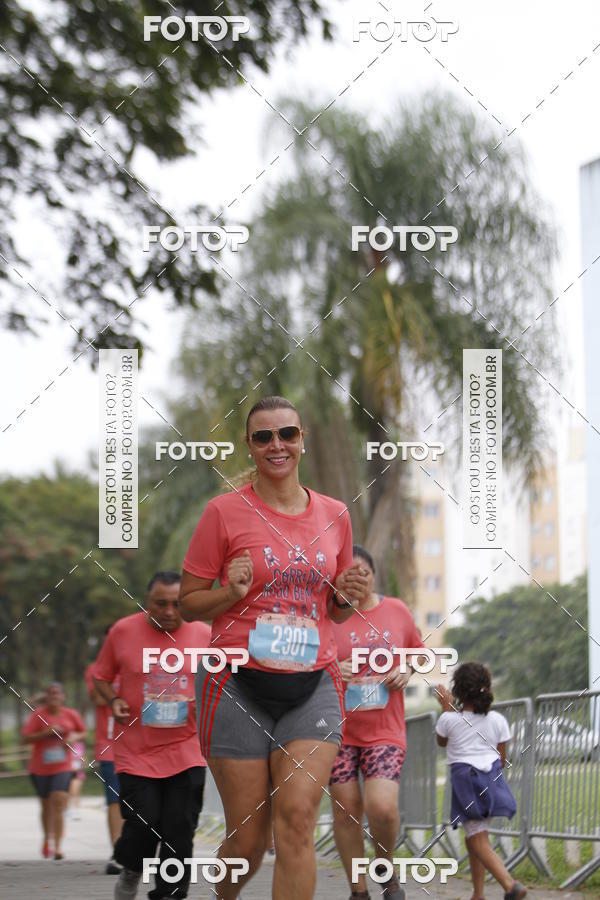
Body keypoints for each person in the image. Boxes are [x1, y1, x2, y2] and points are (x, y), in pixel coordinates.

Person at [179, 395, 370, 900]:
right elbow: (189, 605)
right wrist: (229, 593)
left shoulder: (335, 515)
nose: (276, 445)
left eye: (286, 433)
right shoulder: (223, 513)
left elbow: (337, 608)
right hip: (236, 682)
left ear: (302, 439)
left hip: (314, 684)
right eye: (263, 437)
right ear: (250, 445)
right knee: (247, 843)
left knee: (298, 819)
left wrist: (346, 599)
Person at [93, 571, 211, 900]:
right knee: (143, 823)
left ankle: (170, 894)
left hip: (187, 749)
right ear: (147, 602)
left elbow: (223, 680)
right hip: (136, 751)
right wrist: (114, 700)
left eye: (176, 604)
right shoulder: (123, 631)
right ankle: (131, 867)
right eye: (160, 604)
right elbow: (101, 678)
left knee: (179, 828)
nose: (169, 611)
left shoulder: (203, 634)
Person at [329, 545, 425, 900]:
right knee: (346, 810)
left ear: (372, 575)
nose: (357, 580)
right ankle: (358, 890)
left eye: (363, 573)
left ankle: (385, 869)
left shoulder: (396, 610)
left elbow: (419, 652)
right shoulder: (327, 618)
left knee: (382, 807)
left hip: (384, 730)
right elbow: (306, 666)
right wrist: (333, 670)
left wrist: (407, 668)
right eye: (348, 575)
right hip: (337, 732)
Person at [435, 662, 527, 900]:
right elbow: (502, 758)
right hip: (492, 782)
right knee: (475, 837)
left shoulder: (449, 719)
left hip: (467, 784)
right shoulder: (497, 720)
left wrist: (446, 706)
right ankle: (478, 894)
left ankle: (510, 886)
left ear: (458, 692)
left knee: (478, 840)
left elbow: (442, 742)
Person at [22, 681, 87, 860]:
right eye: (51, 693)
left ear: (63, 697)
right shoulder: (38, 716)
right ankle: (47, 838)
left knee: (58, 802)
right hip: (40, 768)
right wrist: (45, 733)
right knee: (45, 806)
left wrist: (74, 736)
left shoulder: (71, 714)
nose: (55, 696)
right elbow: (26, 739)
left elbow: (83, 732)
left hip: (63, 766)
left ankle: (58, 847)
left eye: (58, 693)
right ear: (47, 697)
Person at [85, 636, 124, 875]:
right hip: (110, 744)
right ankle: (118, 854)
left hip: (144, 744)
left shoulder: (143, 661)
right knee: (114, 799)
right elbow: (99, 697)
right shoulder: (96, 670)